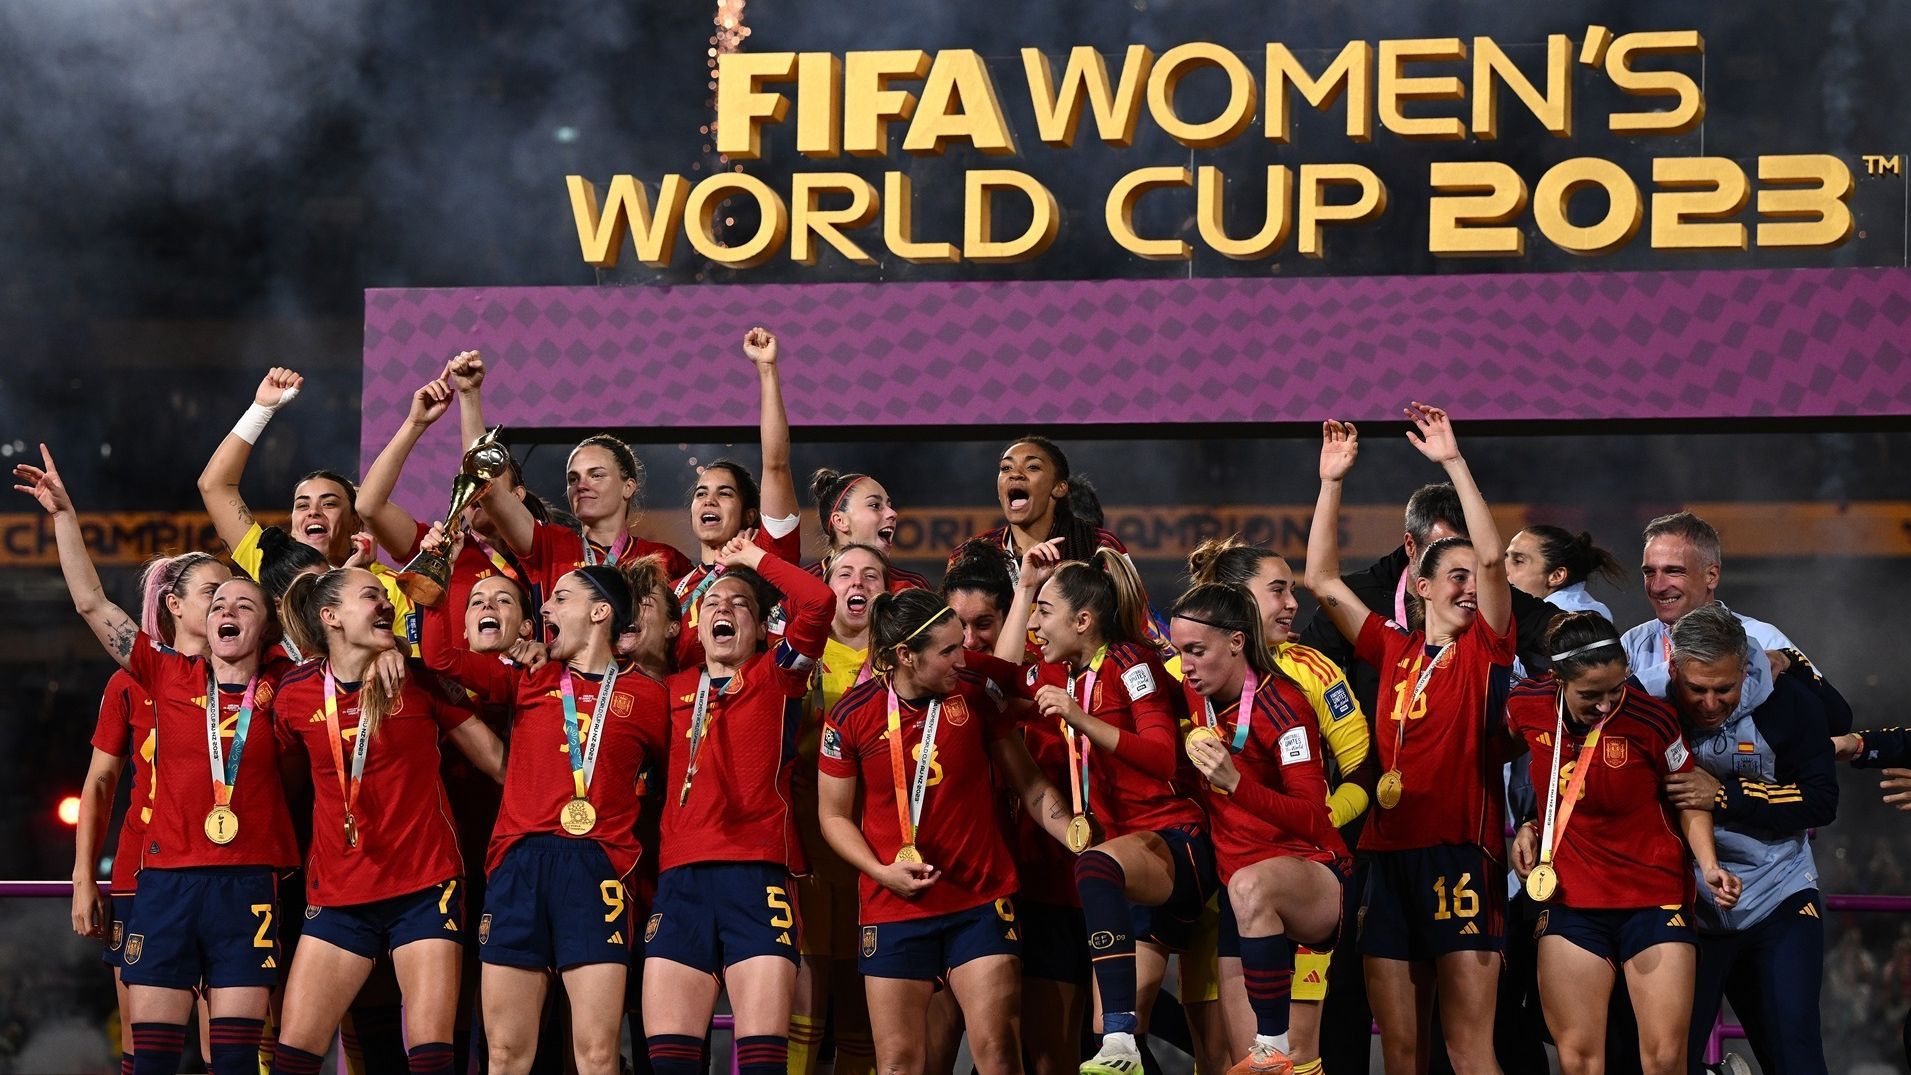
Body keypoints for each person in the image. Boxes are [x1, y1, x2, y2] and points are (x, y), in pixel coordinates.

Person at [17, 445, 295, 1075]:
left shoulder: (293, 684)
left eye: (243, 604)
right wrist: (65, 517)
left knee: (234, 1061)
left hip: (250, 884)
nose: (225, 609)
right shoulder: (163, 675)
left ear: (268, 627)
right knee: (151, 1064)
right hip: (164, 884)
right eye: (217, 601)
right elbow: (93, 606)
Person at [1303, 407, 1514, 1075]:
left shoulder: (1484, 650)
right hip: (1383, 858)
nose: (1467, 587)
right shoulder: (1390, 648)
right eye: (1451, 577)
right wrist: (1330, 482)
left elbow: (1488, 554)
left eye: (1472, 580)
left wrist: (1453, 462)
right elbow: (1320, 579)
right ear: (1418, 586)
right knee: (1400, 1053)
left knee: (1467, 1049)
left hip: (1458, 853)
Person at [817, 589, 1075, 1075]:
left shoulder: (977, 691)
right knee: (899, 1063)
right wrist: (880, 871)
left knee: (998, 1052)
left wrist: (1085, 844)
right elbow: (832, 817)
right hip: (893, 904)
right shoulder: (850, 714)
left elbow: (1032, 786)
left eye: (962, 645)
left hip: (980, 899)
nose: (964, 656)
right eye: (948, 650)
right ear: (905, 657)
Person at [428, 559, 670, 1075]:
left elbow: (674, 788)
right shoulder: (529, 675)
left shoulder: (650, 696)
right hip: (519, 862)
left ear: (600, 612)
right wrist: (433, 590)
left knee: (598, 1054)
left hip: (599, 868)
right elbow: (442, 657)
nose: (546, 608)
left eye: (561, 598)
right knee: (508, 1055)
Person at [267, 567, 508, 1075]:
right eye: (371, 595)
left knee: (430, 1057)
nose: (385, 604)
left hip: (425, 887)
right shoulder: (294, 696)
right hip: (337, 894)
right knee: (293, 1057)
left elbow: (500, 764)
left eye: (386, 597)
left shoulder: (419, 681)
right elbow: (277, 787)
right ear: (330, 616)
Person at [1504, 612, 1743, 1075]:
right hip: (1570, 900)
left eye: (1615, 689)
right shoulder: (1527, 705)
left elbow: (1688, 797)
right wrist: (1532, 822)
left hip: (1653, 898)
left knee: (1664, 1060)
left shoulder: (1651, 718)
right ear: (1557, 678)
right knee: (1579, 1061)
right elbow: (1523, 758)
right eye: (1590, 695)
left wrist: (1709, 865)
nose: (1606, 705)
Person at [995, 551, 1202, 1075]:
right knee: (1114, 1046)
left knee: (1093, 866)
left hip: (1174, 843)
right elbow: (993, 680)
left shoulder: (1132, 665)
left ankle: (1118, 1040)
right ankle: (1118, 1043)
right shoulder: (1063, 673)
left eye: (1044, 612)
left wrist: (1080, 718)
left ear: (1082, 621)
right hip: (1124, 862)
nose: (1036, 625)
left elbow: (1160, 757)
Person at [642, 535, 834, 1075]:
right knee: (672, 1064)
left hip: (757, 878)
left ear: (759, 627)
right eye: (713, 605)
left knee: (763, 1063)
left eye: (740, 605)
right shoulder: (667, 690)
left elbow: (818, 603)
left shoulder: (777, 675)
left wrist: (753, 560)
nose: (724, 609)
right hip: (679, 882)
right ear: (696, 628)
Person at [1185, 537, 1373, 1075]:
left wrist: (1310, 827)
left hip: (1296, 876)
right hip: (1224, 882)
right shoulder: (1185, 673)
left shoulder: (1312, 671)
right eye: (1277, 591)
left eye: (1292, 590)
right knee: (1235, 1061)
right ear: (1236, 602)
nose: (1292, 603)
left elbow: (1359, 770)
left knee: (1293, 1055)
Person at [1657, 606, 1838, 1075]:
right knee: (1663, 1063)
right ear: (1673, 669)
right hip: (1681, 902)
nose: (1711, 704)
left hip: (1779, 894)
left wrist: (1724, 795)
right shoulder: (1645, 700)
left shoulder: (1790, 702)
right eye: (1696, 690)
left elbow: (1821, 802)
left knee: (1795, 1057)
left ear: (1745, 668)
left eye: (1725, 689)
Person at [74, 553, 223, 1073]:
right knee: (144, 1051)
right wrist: (83, 878)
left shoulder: (250, 681)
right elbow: (99, 782)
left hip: (226, 875)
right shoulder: (132, 679)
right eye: (212, 592)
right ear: (174, 605)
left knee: (225, 1053)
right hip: (143, 876)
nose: (224, 601)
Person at [197, 367, 419, 650]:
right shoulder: (270, 564)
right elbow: (214, 486)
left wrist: (351, 581)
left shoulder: (390, 587)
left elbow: (408, 664)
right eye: (302, 505)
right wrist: (261, 409)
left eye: (329, 503)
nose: (313, 511)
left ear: (354, 522)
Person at [356, 352, 552, 629]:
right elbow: (368, 506)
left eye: (485, 481)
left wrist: (469, 395)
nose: (474, 490)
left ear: (517, 495)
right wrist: (415, 423)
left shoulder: (545, 550)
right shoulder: (441, 550)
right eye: (464, 483)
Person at [790, 544, 891, 1075]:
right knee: (805, 990)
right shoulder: (802, 655)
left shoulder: (904, 661)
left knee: (859, 994)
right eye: (845, 573)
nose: (859, 582)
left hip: (876, 848)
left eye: (872, 575)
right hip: (807, 844)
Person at [668, 327, 804, 667]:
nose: (708, 501)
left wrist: (767, 370)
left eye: (724, 493)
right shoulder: (675, 591)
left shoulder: (768, 560)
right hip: (691, 716)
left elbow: (775, 465)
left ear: (748, 515)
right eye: (701, 494)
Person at [1619, 513, 1798, 699]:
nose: (1657, 586)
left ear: (1711, 576)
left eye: (1673, 571)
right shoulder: (1633, 644)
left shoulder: (1764, 640)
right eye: (1649, 573)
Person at [963, 436, 1125, 585]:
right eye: (1006, 468)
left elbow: (1135, 615)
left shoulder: (1100, 546)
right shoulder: (972, 555)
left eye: (1032, 467)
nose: (1015, 474)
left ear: (1059, 488)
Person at [807, 468, 929, 591]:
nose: (893, 513)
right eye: (875, 505)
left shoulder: (912, 586)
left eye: (889, 506)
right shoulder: (803, 585)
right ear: (840, 521)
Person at [1504, 526, 1624, 622]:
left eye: (1518, 561)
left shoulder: (1578, 621)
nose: (1503, 569)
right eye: (1504, 559)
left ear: (1557, 576)